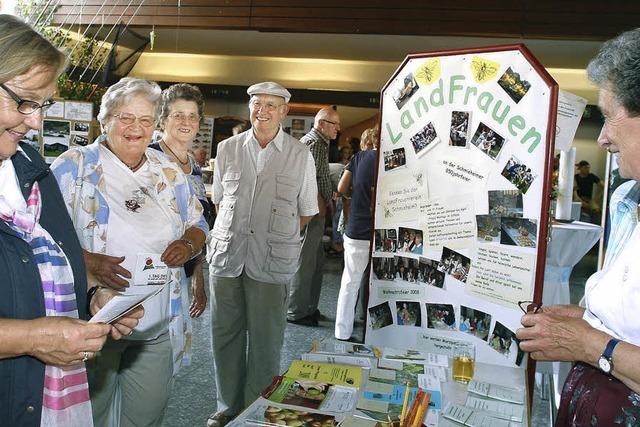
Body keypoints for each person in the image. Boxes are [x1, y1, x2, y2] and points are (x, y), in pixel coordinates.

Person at [0, 14, 141, 426]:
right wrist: (34, 338)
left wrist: (92, 298)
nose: (36, 121)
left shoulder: (28, 166)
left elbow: (44, 269)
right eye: (24, 101)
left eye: (43, 104)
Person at [51, 77, 208, 426]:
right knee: (89, 415)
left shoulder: (168, 171)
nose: (135, 128)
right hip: (92, 322)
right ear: (105, 119)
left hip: (156, 324)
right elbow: (38, 238)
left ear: (155, 126)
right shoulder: (74, 165)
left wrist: (187, 244)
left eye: (146, 120)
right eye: (125, 117)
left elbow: (200, 224)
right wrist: (87, 262)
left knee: (146, 416)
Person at [516, 28, 640, 425]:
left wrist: (590, 344)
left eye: (608, 116)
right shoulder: (629, 201)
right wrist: (582, 319)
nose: (602, 138)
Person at [207, 81, 317, 427]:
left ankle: (254, 408)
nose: (263, 111)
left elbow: (306, 211)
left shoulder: (300, 154)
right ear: (249, 107)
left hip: (271, 260)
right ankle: (226, 406)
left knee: (267, 339)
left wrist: (275, 235)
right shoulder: (227, 148)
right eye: (257, 104)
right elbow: (220, 199)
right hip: (227, 256)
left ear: (284, 112)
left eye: (272, 105)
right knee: (225, 334)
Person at [150, 83, 209, 318]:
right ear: (163, 121)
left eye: (192, 116)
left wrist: (198, 277)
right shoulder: (150, 160)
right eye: (178, 115)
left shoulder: (193, 166)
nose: (186, 122)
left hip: (182, 272)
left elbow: (197, 223)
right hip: (154, 271)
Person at [287, 107, 341, 327]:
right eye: (334, 124)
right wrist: (330, 200)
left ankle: (307, 306)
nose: (338, 129)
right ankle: (296, 311)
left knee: (315, 260)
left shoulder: (314, 141)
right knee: (306, 260)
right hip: (311, 209)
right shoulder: (316, 143)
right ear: (321, 124)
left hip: (310, 208)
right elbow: (320, 178)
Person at [334, 127, 378, 341]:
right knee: (377, 282)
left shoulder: (358, 158)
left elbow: (342, 187)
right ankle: (375, 330)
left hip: (357, 228)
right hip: (381, 231)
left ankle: (342, 331)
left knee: (350, 281)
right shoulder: (392, 160)